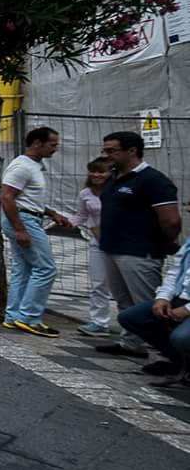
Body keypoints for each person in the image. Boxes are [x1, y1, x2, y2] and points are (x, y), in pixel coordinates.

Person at [95, 131, 182, 358]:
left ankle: (170, 355)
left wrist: (166, 241)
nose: (107, 155)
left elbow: (171, 220)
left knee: (147, 305)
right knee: (124, 302)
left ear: (132, 151)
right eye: (105, 150)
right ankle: (131, 344)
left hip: (138, 252)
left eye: (112, 150)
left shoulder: (154, 180)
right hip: (111, 248)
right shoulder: (114, 178)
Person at [0, 127, 68, 338]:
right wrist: (20, 229)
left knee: (23, 269)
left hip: (27, 218)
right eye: (52, 144)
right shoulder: (22, 166)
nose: (55, 148)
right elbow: (7, 197)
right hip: (24, 221)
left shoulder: (34, 166)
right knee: (46, 269)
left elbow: (26, 199)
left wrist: (51, 212)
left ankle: (13, 316)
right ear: (37, 143)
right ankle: (29, 317)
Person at [118, 238, 190, 386]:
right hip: (181, 296)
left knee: (181, 337)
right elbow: (175, 271)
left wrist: (187, 309)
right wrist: (163, 297)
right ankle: (181, 363)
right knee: (131, 317)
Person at [61, 158, 114, 338]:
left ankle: (132, 326)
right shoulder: (85, 193)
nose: (96, 175)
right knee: (98, 282)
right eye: (93, 171)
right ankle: (100, 322)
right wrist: (64, 220)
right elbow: (81, 216)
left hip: (122, 241)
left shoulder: (117, 191)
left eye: (101, 171)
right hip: (98, 241)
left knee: (123, 286)